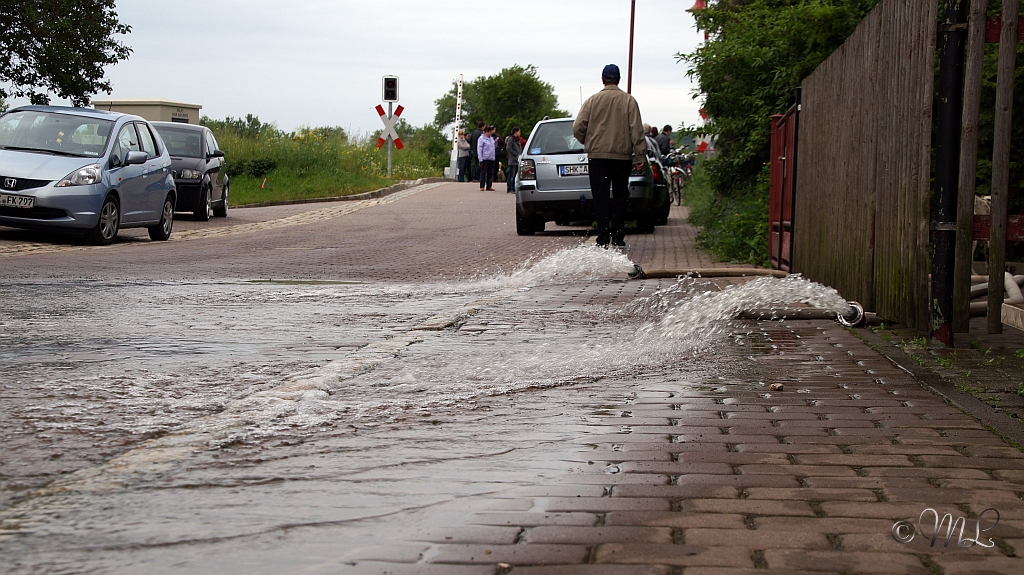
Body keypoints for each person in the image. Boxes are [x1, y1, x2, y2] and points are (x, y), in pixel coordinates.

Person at [573, 64, 646, 248]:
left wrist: (589, 142)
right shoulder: (629, 101)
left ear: (603, 79)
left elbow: (577, 128)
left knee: (600, 197)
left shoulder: (592, 101)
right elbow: (637, 131)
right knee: (621, 196)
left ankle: (603, 238)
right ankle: (618, 236)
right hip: (621, 157)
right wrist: (639, 157)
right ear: (618, 79)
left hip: (597, 157)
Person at [477, 125, 497, 191]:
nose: (490, 133)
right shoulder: (481, 139)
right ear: (486, 132)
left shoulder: (491, 138)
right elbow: (479, 149)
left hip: (491, 157)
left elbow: (493, 146)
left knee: (490, 172)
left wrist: (495, 142)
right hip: (485, 157)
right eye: (489, 132)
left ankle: (489, 186)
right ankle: (482, 186)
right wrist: (480, 159)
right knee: (483, 172)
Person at [505, 126, 522, 193]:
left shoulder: (518, 140)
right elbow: (508, 148)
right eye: (519, 132)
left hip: (517, 159)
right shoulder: (511, 139)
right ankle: (510, 188)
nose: (520, 133)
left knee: (515, 175)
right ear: (515, 132)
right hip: (513, 159)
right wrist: (515, 153)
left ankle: (514, 187)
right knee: (511, 175)